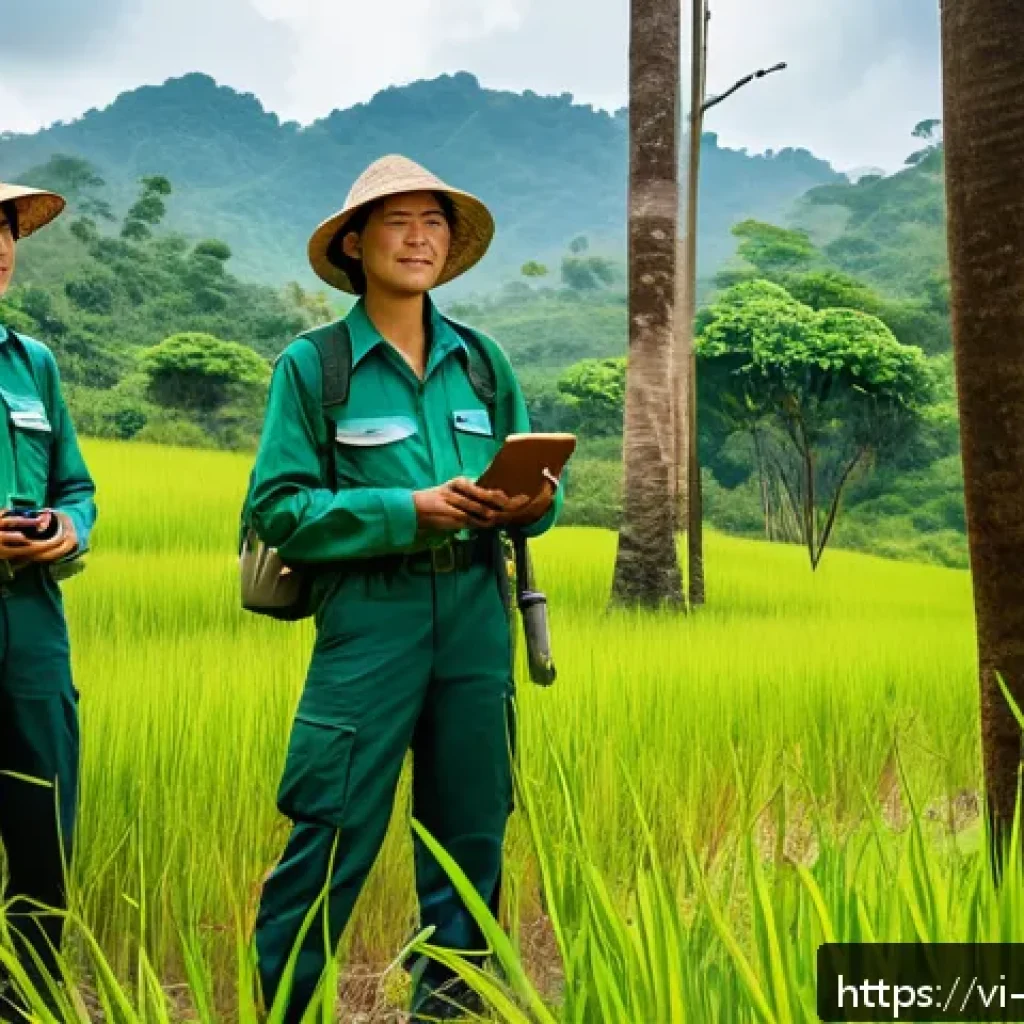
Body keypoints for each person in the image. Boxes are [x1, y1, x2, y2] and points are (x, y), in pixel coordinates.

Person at [247, 155, 562, 1021]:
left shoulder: (485, 364)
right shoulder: (315, 367)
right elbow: (279, 507)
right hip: (369, 619)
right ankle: (282, 1010)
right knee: (331, 832)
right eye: (398, 221)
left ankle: (450, 1011)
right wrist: (406, 510)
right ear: (354, 243)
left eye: (434, 222)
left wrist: (533, 500)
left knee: (470, 840)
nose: (420, 237)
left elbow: (538, 500)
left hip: (474, 614)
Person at [0, 183, 97, 1006]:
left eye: (4, 230)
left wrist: (70, 526)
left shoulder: (35, 364)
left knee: (43, 821)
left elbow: (76, 482)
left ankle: (28, 998)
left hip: (32, 622)